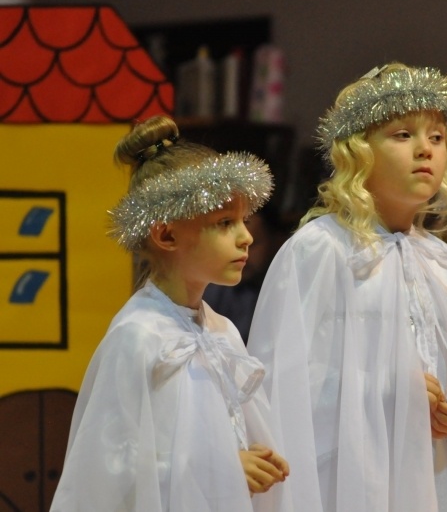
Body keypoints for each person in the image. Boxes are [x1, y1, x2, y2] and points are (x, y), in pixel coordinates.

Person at [247, 63, 447, 512]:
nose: (425, 151)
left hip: (430, 476)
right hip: (355, 480)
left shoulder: (446, 265)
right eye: (402, 135)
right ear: (359, 151)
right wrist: (389, 392)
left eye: (436, 138)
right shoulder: (322, 251)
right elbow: (287, 388)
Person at [51, 116, 290, 511]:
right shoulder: (139, 337)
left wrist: (257, 457)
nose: (246, 236)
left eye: (243, 221)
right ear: (166, 235)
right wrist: (222, 470)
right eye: (224, 222)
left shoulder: (222, 332)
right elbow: (110, 472)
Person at [204, 203, 292, 343]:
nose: (243, 254)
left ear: (277, 241)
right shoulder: (213, 287)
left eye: (252, 245)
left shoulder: (289, 293)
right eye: (235, 244)